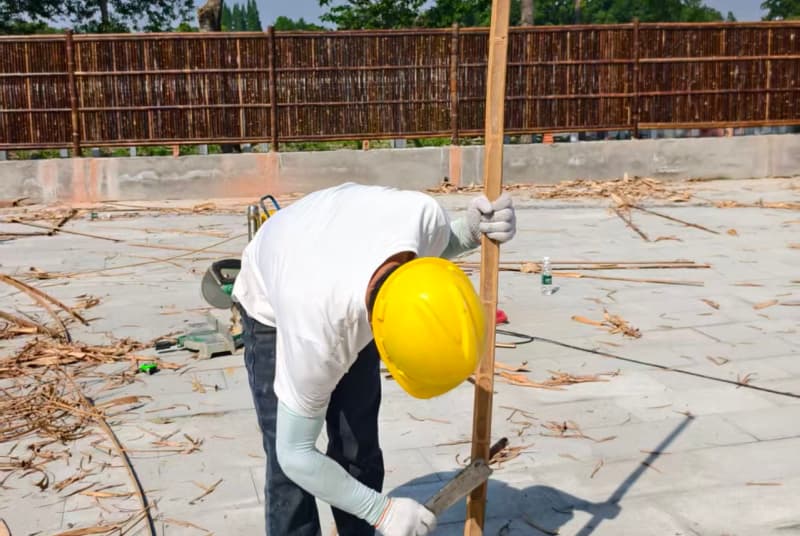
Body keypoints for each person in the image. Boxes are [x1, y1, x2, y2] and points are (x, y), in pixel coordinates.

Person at [232, 182, 516, 536]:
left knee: (357, 444)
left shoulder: (422, 217)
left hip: (335, 258)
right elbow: (296, 454)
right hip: (273, 301)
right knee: (288, 468)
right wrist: (380, 511)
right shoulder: (315, 333)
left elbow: (434, 251)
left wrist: (472, 231)